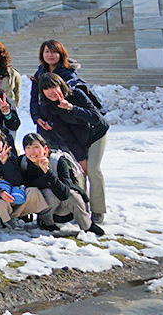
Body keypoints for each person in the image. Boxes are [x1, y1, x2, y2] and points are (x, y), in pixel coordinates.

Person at [34, 72, 109, 229]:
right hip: (78, 140)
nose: (51, 92)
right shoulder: (48, 108)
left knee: (93, 169)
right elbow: (65, 135)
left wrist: (71, 108)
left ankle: (98, 211)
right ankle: (82, 208)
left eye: (54, 87)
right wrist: (81, 158)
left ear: (60, 85)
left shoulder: (77, 94)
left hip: (96, 134)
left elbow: (95, 117)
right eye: (46, 89)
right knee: (79, 171)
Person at [20, 132, 101, 236]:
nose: (32, 152)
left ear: (45, 149)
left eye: (36, 147)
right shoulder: (23, 162)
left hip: (65, 209)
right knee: (44, 192)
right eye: (28, 148)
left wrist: (47, 172)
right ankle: (46, 223)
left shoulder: (58, 161)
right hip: (42, 209)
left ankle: (87, 225)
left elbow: (65, 194)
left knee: (72, 194)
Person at [0, 127, 46, 229]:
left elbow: (17, 181)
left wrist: (5, 163)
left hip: (12, 200)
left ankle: (14, 217)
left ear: (3, 144)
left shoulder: (10, 157)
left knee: (33, 192)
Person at [28, 39, 87, 140]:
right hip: (44, 121)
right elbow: (34, 97)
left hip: (64, 122)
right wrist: (37, 117)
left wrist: (52, 122)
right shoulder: (39, 73)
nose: (50, 55)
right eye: (47, 52)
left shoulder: (68, 74)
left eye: (54, 52)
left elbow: (69, 99)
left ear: (61, 54)